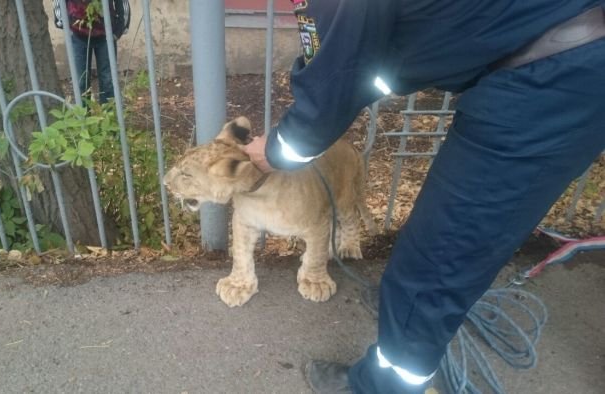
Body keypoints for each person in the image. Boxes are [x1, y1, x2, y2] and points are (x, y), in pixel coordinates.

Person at [241, 0, 605, 392]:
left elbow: (340, 69)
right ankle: (407, 317)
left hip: (559, 75)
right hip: (553, 50)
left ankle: (386, 385)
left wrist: (278, 148)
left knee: (439, 257)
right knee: (440, 248)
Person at [53, 0, 130, 104]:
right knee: (80, 80)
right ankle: (84, 116)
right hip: (77, 34)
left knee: (107, 79)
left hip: (106, 34)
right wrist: (64, 22)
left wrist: (118, 30)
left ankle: (108, 114)